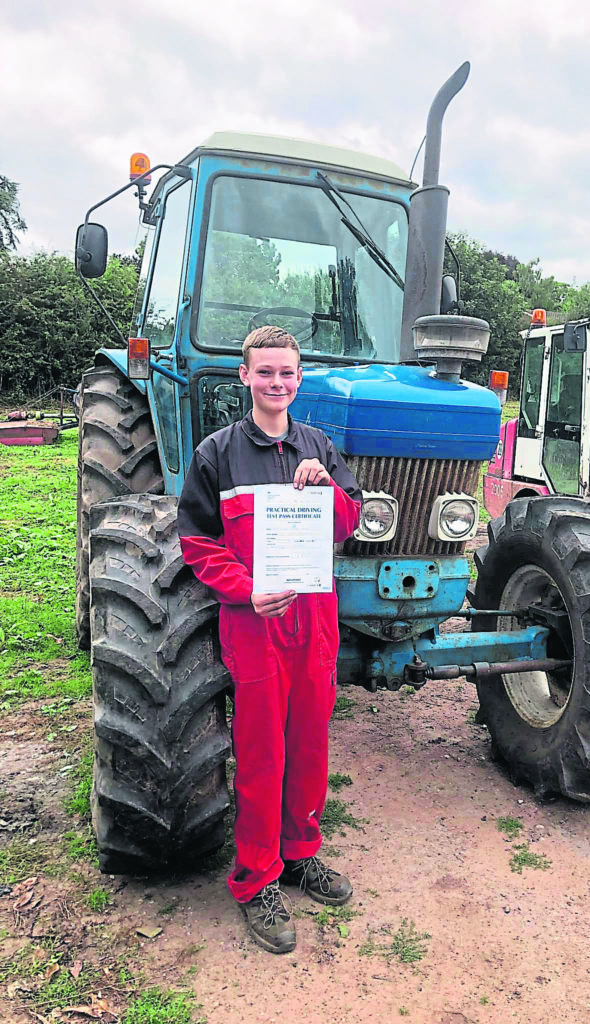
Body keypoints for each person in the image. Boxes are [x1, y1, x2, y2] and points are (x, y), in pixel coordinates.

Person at [178, 325, 362, 954]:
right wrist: (243, 588)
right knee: (261, 753)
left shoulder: (318, 446)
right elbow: (198, 542)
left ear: (299, 379)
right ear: (245, 378)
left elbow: (350, 523)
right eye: (265, 373)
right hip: (255, 622)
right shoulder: (218, 454)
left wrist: (326, 486)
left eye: (287, 374)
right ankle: (257, 879)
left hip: (314, 622)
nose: (276, 384)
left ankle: (301, 851)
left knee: (309, 744)